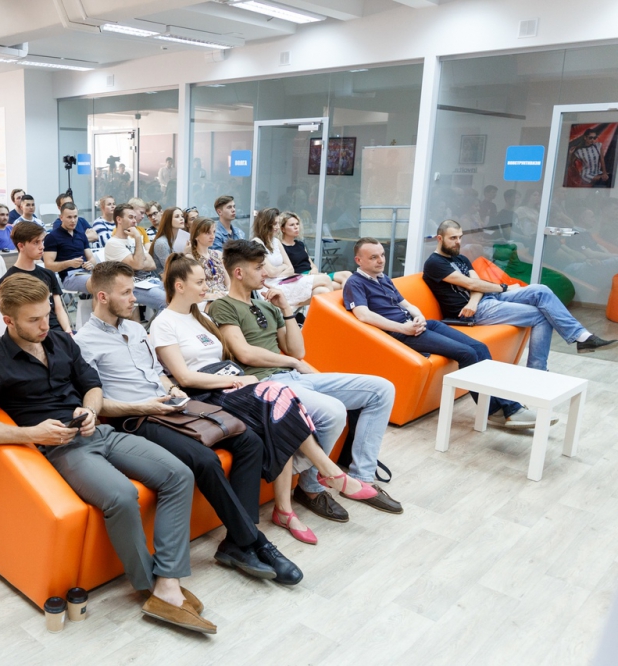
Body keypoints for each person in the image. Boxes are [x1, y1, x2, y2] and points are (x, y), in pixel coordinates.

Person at [0, 273, 216, 634]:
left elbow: (92, 385)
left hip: (98, 431)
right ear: (8, 321)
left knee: (179, 475)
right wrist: (31, 433)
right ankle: (149, 586)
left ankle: (167, 581)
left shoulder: (60, 341)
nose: (44, 325)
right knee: (121, 496)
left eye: (47, 315)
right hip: (61, 449)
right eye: (33, 320)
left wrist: (91, 410)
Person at [77, 261, 302, 582]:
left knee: (249, 440)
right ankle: (255, 542)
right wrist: (145, 406)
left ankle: (238, 540)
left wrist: (173, 391)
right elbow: (97, 402)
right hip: (136, 418)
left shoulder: (136, 329)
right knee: (204, 459)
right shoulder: (83, 342)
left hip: (170, 405)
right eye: (126, 293)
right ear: (102, 297)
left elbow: (157, 373)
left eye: (132, 291)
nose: (134, 298)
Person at [153, 253, 376, 545]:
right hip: (206, 393)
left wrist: (242, 376)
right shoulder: (164, 322)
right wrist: (236, 380)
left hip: (229, 383)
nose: (206, 286)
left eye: (206, 280)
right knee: (277, 398)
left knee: (280, 408)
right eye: (200, 282)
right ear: (179, 286)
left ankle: (287, 509)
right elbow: (184, 378)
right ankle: (327, 473)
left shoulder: (202, 317)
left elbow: (232, 358)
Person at [210, 240, 403, 521]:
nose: (266, 272)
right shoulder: (223, 306)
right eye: (259, 267)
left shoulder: (267, 305)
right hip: (268, 385)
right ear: (239, 272)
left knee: (382, 389)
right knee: (333, 411)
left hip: (295, 376)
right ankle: (311, 487)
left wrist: (285, 309)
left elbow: (298, 350)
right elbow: (245, 353)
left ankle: (363, 477)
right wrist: (291, 362)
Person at [345, 237, 542, 429]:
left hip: (419, 325)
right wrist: (404, 328)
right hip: (400, 334)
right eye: (373, 257)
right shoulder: (355, 283)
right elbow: (363, 315)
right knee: (467, 353)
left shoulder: (383, 278)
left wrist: (419, 316)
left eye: (382, 255)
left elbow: (407, 305)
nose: (381, 260)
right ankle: (503, 410)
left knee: (479, 347)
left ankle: (502, 408)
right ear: (358, 260)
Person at [422, 219, 617, 370]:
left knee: (541, 289)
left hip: (482, 301)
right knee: (541, 315)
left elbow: (477, 285)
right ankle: (537, 371)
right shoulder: (434, 263)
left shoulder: (461, 258)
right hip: (472, 313)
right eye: (453, 238)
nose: (458, 242)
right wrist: (504, 288)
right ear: (440, 238)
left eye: (460, 237)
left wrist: (475, 298)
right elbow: (471, 283)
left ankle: (582, 336)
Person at [0, 220, 71, 333]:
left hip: (56, 331)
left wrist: (68, 331)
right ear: (21, 246)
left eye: (42, 241)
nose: (42, 247)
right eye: (36, 242)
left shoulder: (48, 274)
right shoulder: (8, 280)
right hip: (32, 334)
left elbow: (59, 309)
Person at [251, 208, 329, 306]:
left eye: (278, 223)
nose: (277, 227)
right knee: (325, 279)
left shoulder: (276, 241)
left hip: (285, 281)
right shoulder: (256, 242)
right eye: (274, 224)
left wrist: (278, 271)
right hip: (271, 287)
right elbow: (271, 272)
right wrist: (283, 267)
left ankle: (316, 317)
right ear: (265, 224)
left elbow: (290, 269)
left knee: (322, 291)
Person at [104, 203, 166, 311]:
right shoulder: (113, 243)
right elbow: (138, 264)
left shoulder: (132, 240)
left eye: (134, 217)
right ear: (119, 219)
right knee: (167, 302)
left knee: (180, 296)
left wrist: (137, 262)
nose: (134, 221)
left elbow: (152, 264)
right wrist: (137, 237)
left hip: (149, 281)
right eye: (130, 217)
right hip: (132, 286)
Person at [280, 211, 350, 290]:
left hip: (312, 275)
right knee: (336, 285)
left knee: (347, 274)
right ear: (283, 229)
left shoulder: (300, 244)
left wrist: (314, 269)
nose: (296, 227)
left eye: (297, 224)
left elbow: (311, 264)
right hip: (300, 278)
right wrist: (307, 275)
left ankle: (350, 298)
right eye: (292, 225)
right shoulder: (281, 247)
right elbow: (287, 272)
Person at [43, 202, 96, 293]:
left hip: (87, 272)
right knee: (98, 283)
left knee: (110, 280)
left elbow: (91, 258)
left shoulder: (81, 235)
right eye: (69, 217)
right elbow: (48, 266)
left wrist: (90, 264)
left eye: (75, 217)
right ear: (61, 217)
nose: (73, 220)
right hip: (69, 277)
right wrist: (69, 263)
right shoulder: (52, 237)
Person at [189, 217, 230, 303]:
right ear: (196, 236)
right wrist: (211, 296)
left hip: (223, 297)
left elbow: (228, 283)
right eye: (208, 233)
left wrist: (230, 294)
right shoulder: (190, 258)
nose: (212, 236)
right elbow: (191, 288)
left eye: (214, 232)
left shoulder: (218, 254)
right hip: (204, 301)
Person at [149, 207, 186, 278]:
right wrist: (185, 253)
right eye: (177, 216)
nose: (181, 219)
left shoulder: (173, 239)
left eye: (182, 216)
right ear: (168, 220)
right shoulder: (162, 243)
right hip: (160, 281)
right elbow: (171, 268)